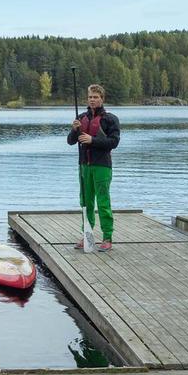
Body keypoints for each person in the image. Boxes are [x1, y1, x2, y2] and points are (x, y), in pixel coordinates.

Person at [68, 84, 120, 251]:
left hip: (102, 166)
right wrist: (74, 130)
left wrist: (93, 140)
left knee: (103, 202)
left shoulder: (110, 119)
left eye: (96, 97)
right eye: (90, 97)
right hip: (84, 166)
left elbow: (114, 142)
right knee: (85, 202)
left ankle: (107, 237)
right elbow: (70, 141)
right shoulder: (81, 117)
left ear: (102, 99)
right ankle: (87, 236)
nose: (92, 100)